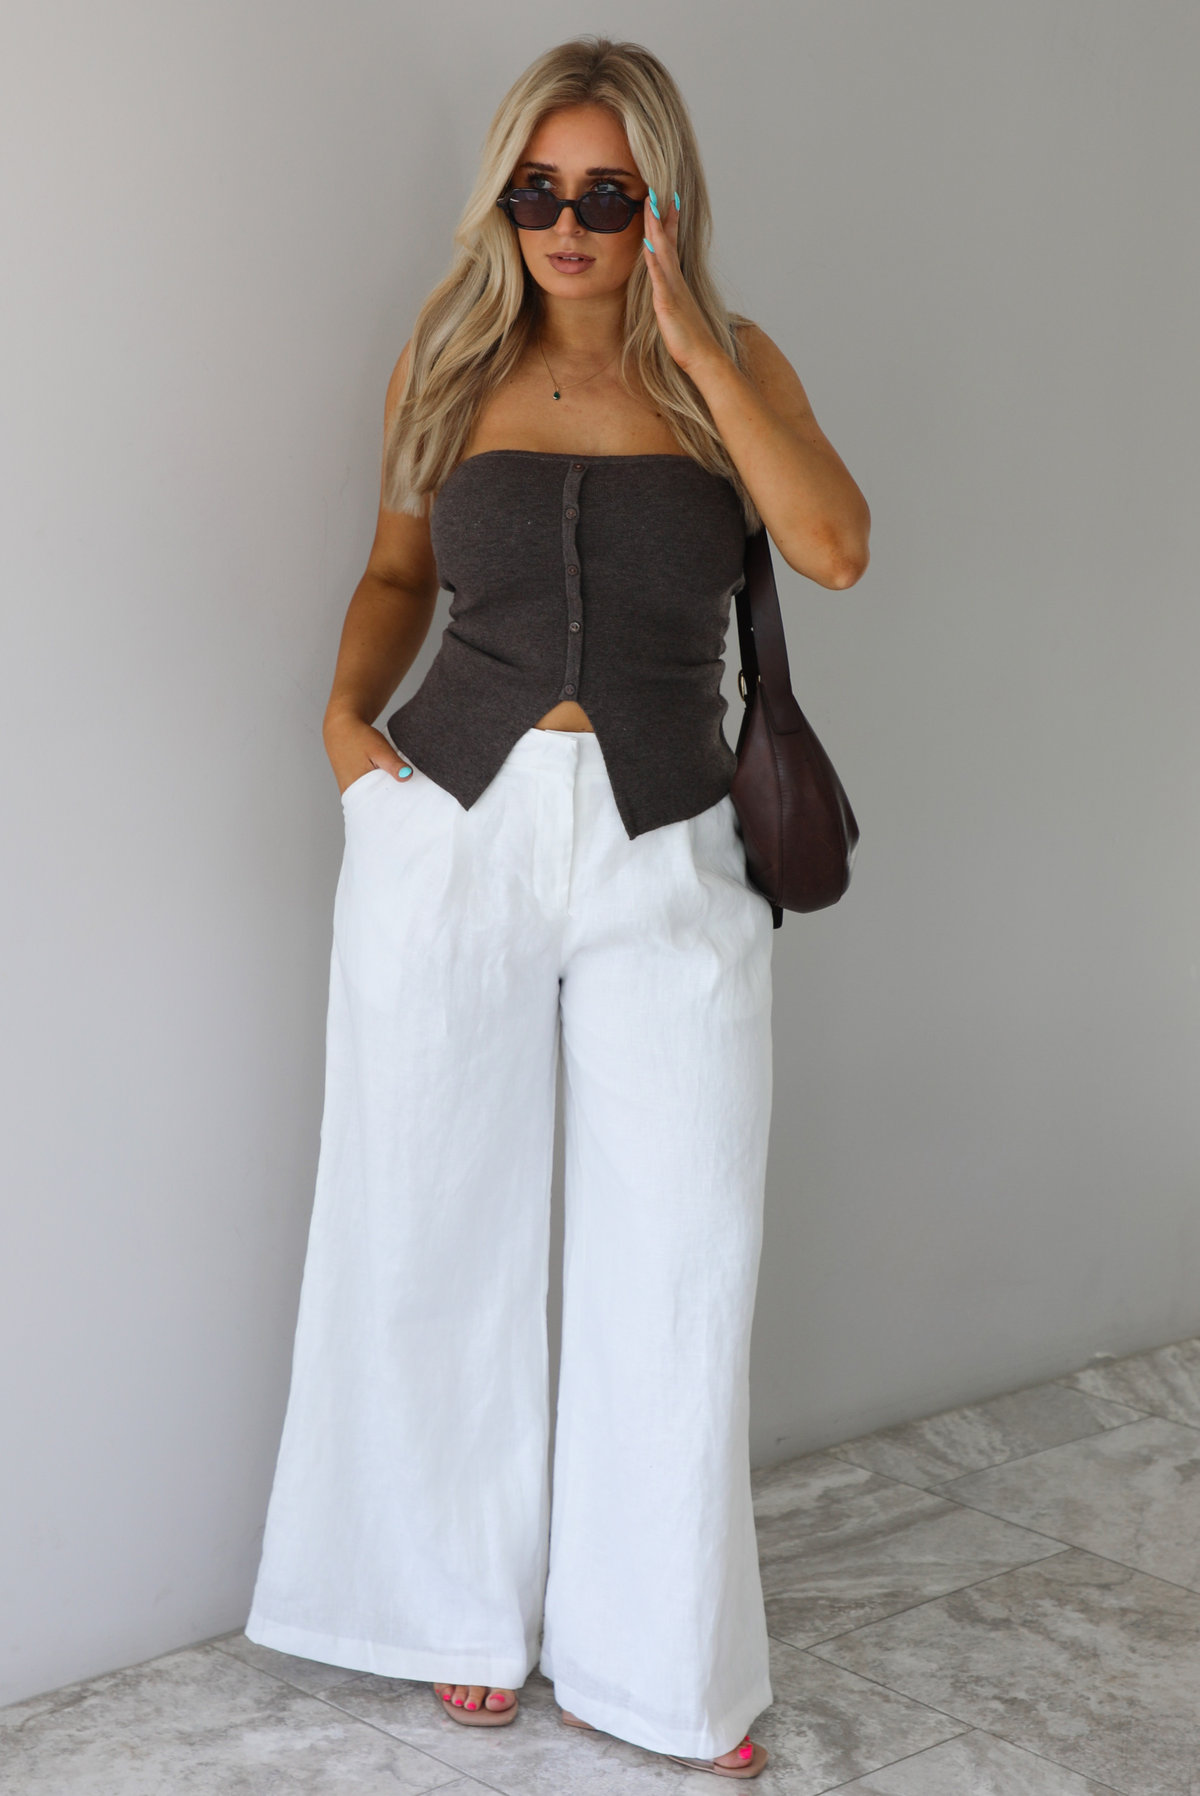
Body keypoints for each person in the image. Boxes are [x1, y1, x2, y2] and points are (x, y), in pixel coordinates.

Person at [246, 36, 869, 1781]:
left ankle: (658, 1667)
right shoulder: (448, 366)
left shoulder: (732, 365)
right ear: (507, 199)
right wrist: (343, 735)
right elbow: (392, 573)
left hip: (673, 844)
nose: (570, 224)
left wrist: (693, 349)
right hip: (449, 822)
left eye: (608, 194)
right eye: (543, 191)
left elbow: (832, 544)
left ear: (659, 202)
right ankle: (450, 1606)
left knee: (681, 1254)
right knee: (427, 1215)